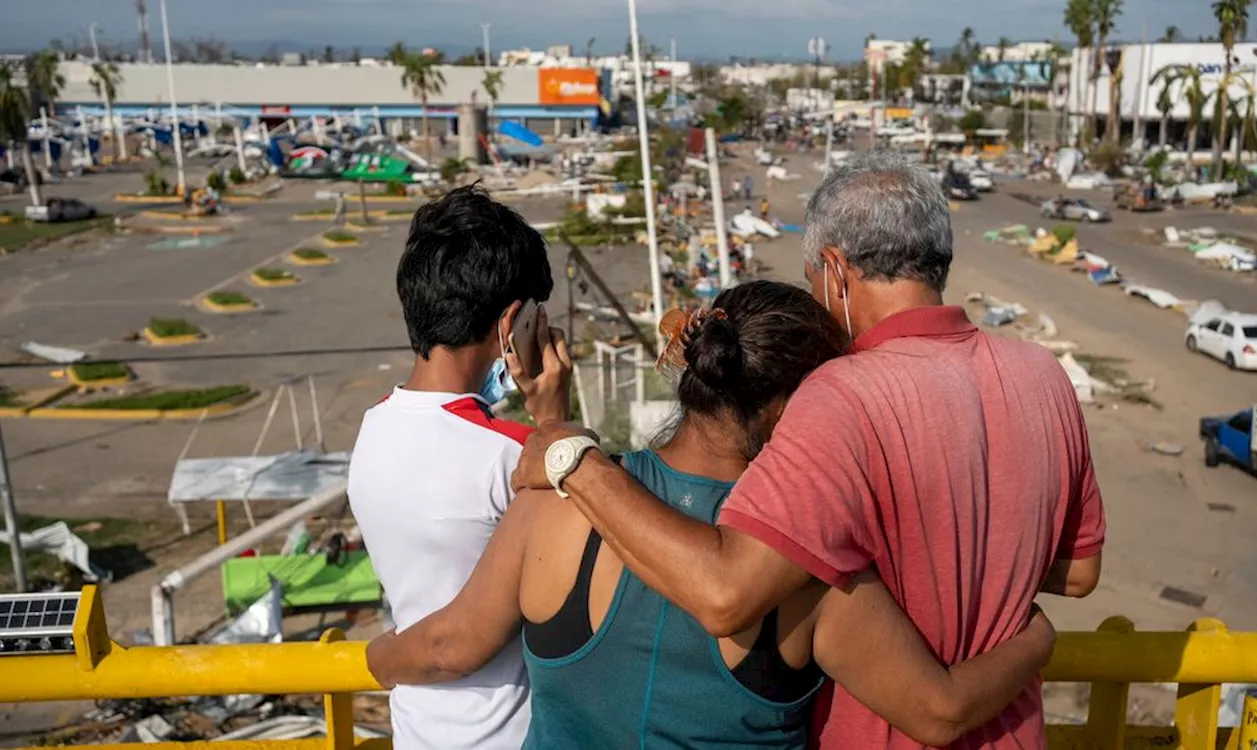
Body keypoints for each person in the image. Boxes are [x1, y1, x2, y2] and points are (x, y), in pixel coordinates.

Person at [512, 151, 1105, 748]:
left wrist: (572, 456)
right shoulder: (1044, 375)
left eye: (812, 280)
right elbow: (1078, 572)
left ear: (834, 269)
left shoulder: (838, 394)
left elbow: (725, 595)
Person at [367, 281, 1057, 748]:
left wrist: (371, 657)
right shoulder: (807, 572)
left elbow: (446, 645)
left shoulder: (558, 503)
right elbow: (938, 710)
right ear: (797, 408)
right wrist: (1035, 641)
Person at [349, 185, 569, 750]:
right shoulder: (514, 453)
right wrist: (556, 423)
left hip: (419, 730)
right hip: (514, 736)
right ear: (511, 322)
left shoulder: (372, 431)